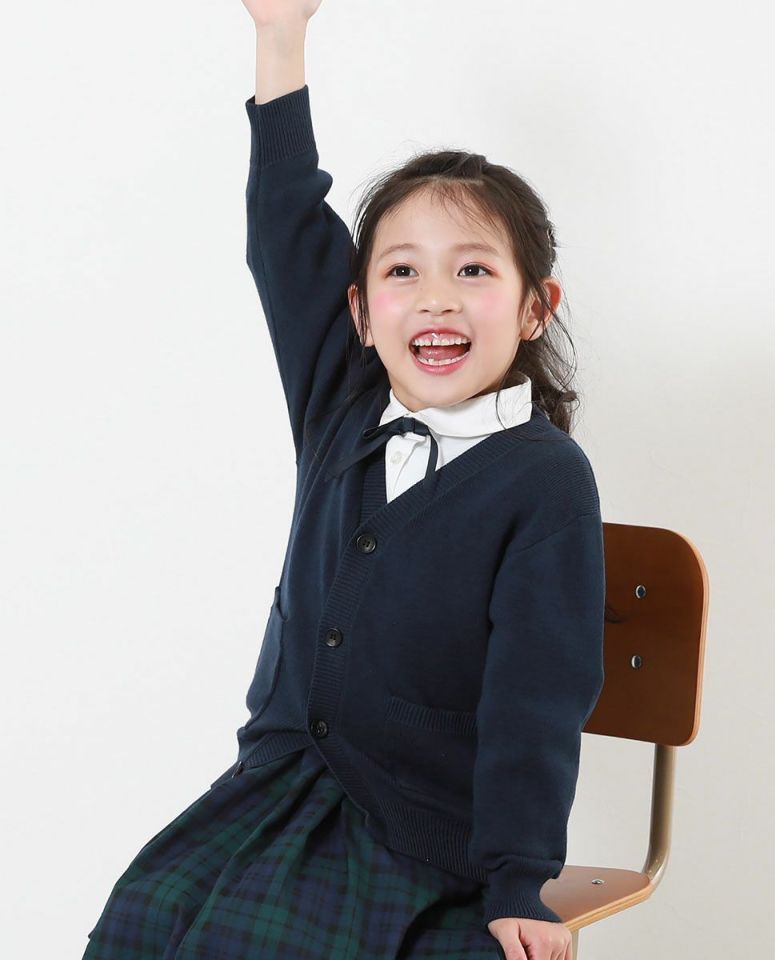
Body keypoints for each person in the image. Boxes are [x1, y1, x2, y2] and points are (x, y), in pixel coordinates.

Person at [82, 2, 606, 959]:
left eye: (474, 271)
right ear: (360, 312)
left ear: (536, 308)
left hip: (419, 830)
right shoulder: (342, 404)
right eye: (403, 272)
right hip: (277, 789)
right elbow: (285, 226)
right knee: (141, 919)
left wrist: (520, 881)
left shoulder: (545, 482)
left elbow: (538, 700)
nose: (437, 298)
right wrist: (279, 36)